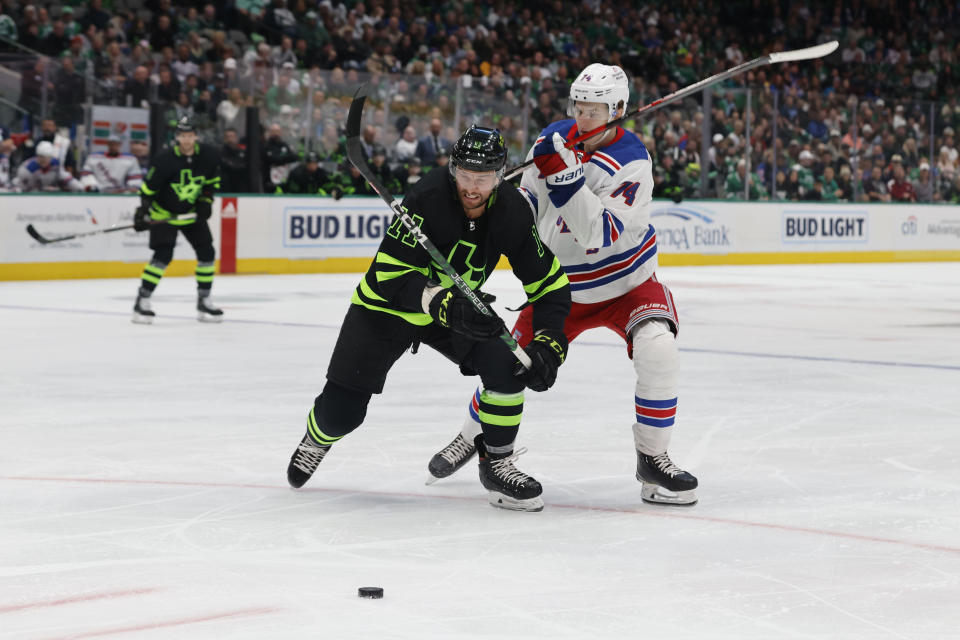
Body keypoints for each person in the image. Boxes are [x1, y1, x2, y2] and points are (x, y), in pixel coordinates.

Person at [426, 63, 700, 506]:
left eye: (596, 110)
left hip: (626, 281)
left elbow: (601, 236)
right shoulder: (555, 138)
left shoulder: (633, 163)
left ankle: (653, 460)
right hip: (560, 287)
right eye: (580, 107)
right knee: (509, 364)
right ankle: (473, 437)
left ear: (619, 110)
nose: (585, 119)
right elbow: (527, 209)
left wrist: (567, 177)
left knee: (658, 348)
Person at [285, 125, 572, 512]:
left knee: (508, 366)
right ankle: (317, 438)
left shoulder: (512, 211)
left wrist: (550, 340)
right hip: (386, 310)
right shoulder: (427, 196)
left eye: (483, 178)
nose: (472, 187)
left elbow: (550, 284)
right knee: (342, 414)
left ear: (500, 176)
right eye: (465, 175)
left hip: (454, 310)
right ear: (452, 169)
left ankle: (498, 463)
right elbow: (388, 277)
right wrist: (439, 301)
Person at [131, 116, 223, 324]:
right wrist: (143, 212)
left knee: (207, 252)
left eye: (190, 136)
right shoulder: (164, 159)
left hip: (190, 213)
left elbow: (211, 182)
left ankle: (204, 300)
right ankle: (142, 300)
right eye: (183, 136)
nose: (187, 140)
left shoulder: (209, 156)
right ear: (177, 137)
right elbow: (148, 189)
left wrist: (206, 200)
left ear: (196, 136)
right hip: (164, 213)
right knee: (163, 256)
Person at [15, 140, 82, 192]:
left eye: (46, 157)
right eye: (41, 156)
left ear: (50, 157)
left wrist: (80, 187)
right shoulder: (27, 168)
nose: (43, 160)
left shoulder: (55, 165)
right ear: (37, 156)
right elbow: (20, 188)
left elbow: (66, 179)